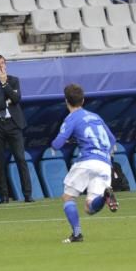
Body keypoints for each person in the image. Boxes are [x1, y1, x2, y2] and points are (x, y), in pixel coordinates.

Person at [51, 84, 119, 243]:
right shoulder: (96, 117)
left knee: (68, 197)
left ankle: (77, 234)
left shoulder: (72, 118)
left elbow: (57, 144)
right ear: (83, 100)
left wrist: (65, 140)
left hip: (87, 161)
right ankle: (105, 196)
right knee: (89, 207)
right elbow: (112, 139)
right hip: (104, 163)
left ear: (66, 101)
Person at [0, 54, 32, 203]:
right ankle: (3, 196)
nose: (1, 66)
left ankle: (27, 194)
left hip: (13, 124)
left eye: (3, 63)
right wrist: (5, 103)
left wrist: (4, 84)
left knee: (20, 159)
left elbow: (16, 99)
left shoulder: (13, 80)